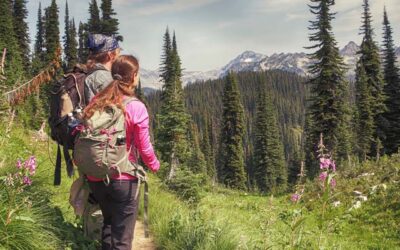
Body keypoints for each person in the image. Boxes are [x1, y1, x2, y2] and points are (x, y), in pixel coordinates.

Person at [83, 55, 160, 250]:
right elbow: (144, 147)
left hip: (97, 176)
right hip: (123, 178)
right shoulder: (136, 107)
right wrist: (154, 165)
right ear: (133, 77)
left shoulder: (96, 101)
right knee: (123, 239)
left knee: (108, 226)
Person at [85, 33, 121, 105]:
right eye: (118, 52)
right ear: (111, 55)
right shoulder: (106, 79)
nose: (120, 57)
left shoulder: (87, 73)